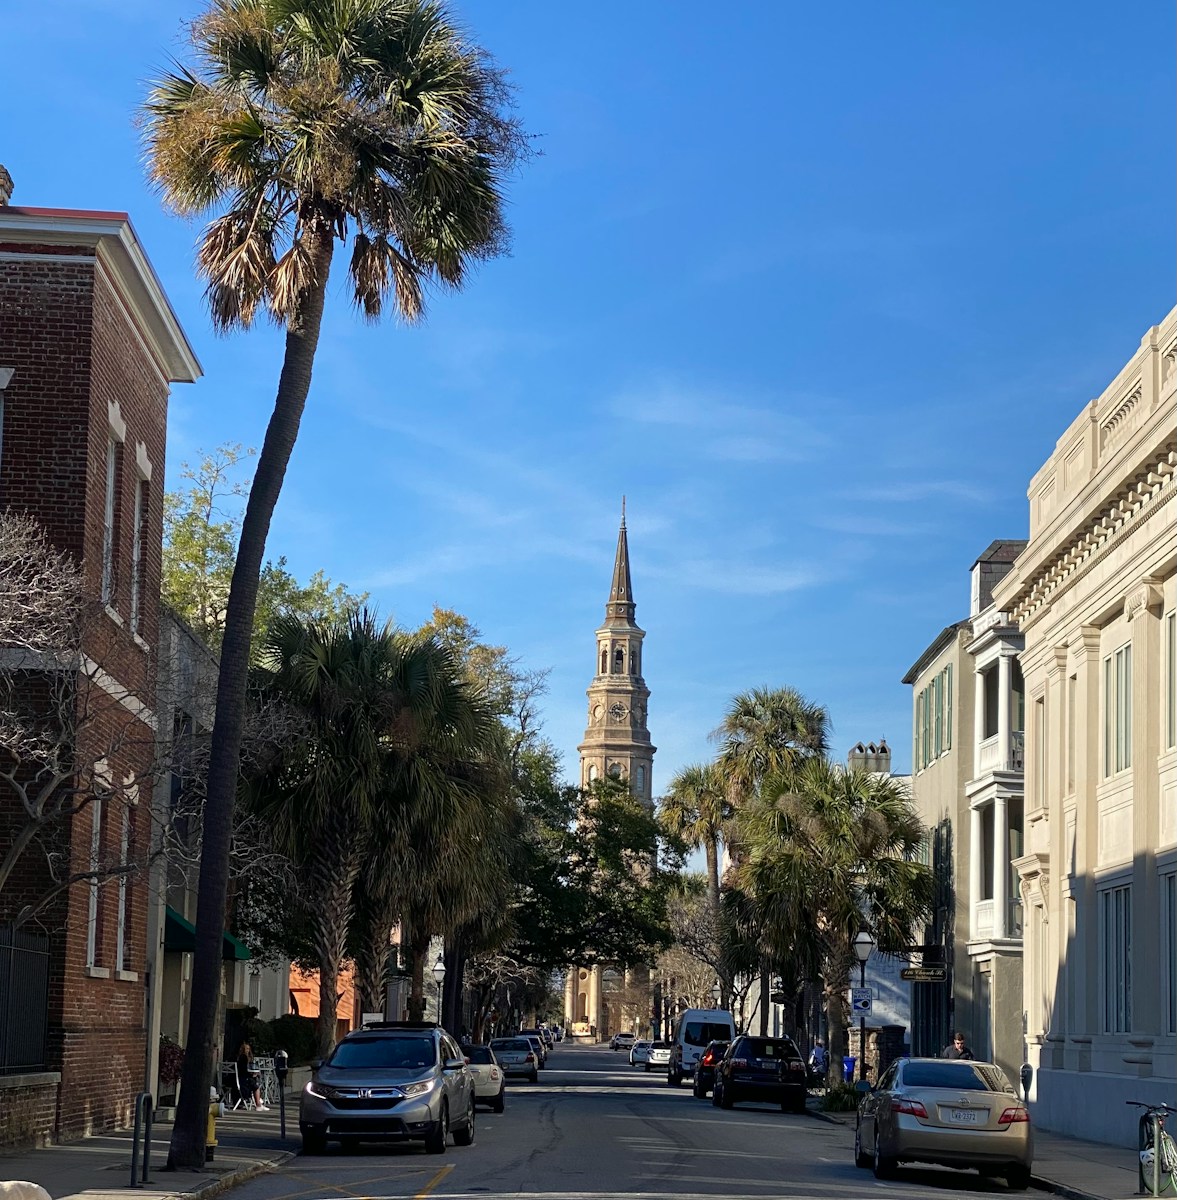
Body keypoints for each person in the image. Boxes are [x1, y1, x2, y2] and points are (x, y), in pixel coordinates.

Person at [236, 1041, 268, 1110]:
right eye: (246, 1049)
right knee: (256, 1086)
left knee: (255, 1080)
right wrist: (252, 1074)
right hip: (243, 1080)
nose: (248, 1050)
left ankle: (259, 1100)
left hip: (238, 1080)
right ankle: (258, 1104)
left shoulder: (238, 1057)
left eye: (248, 1049)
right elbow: (244, 1070)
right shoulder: (243, 1058)